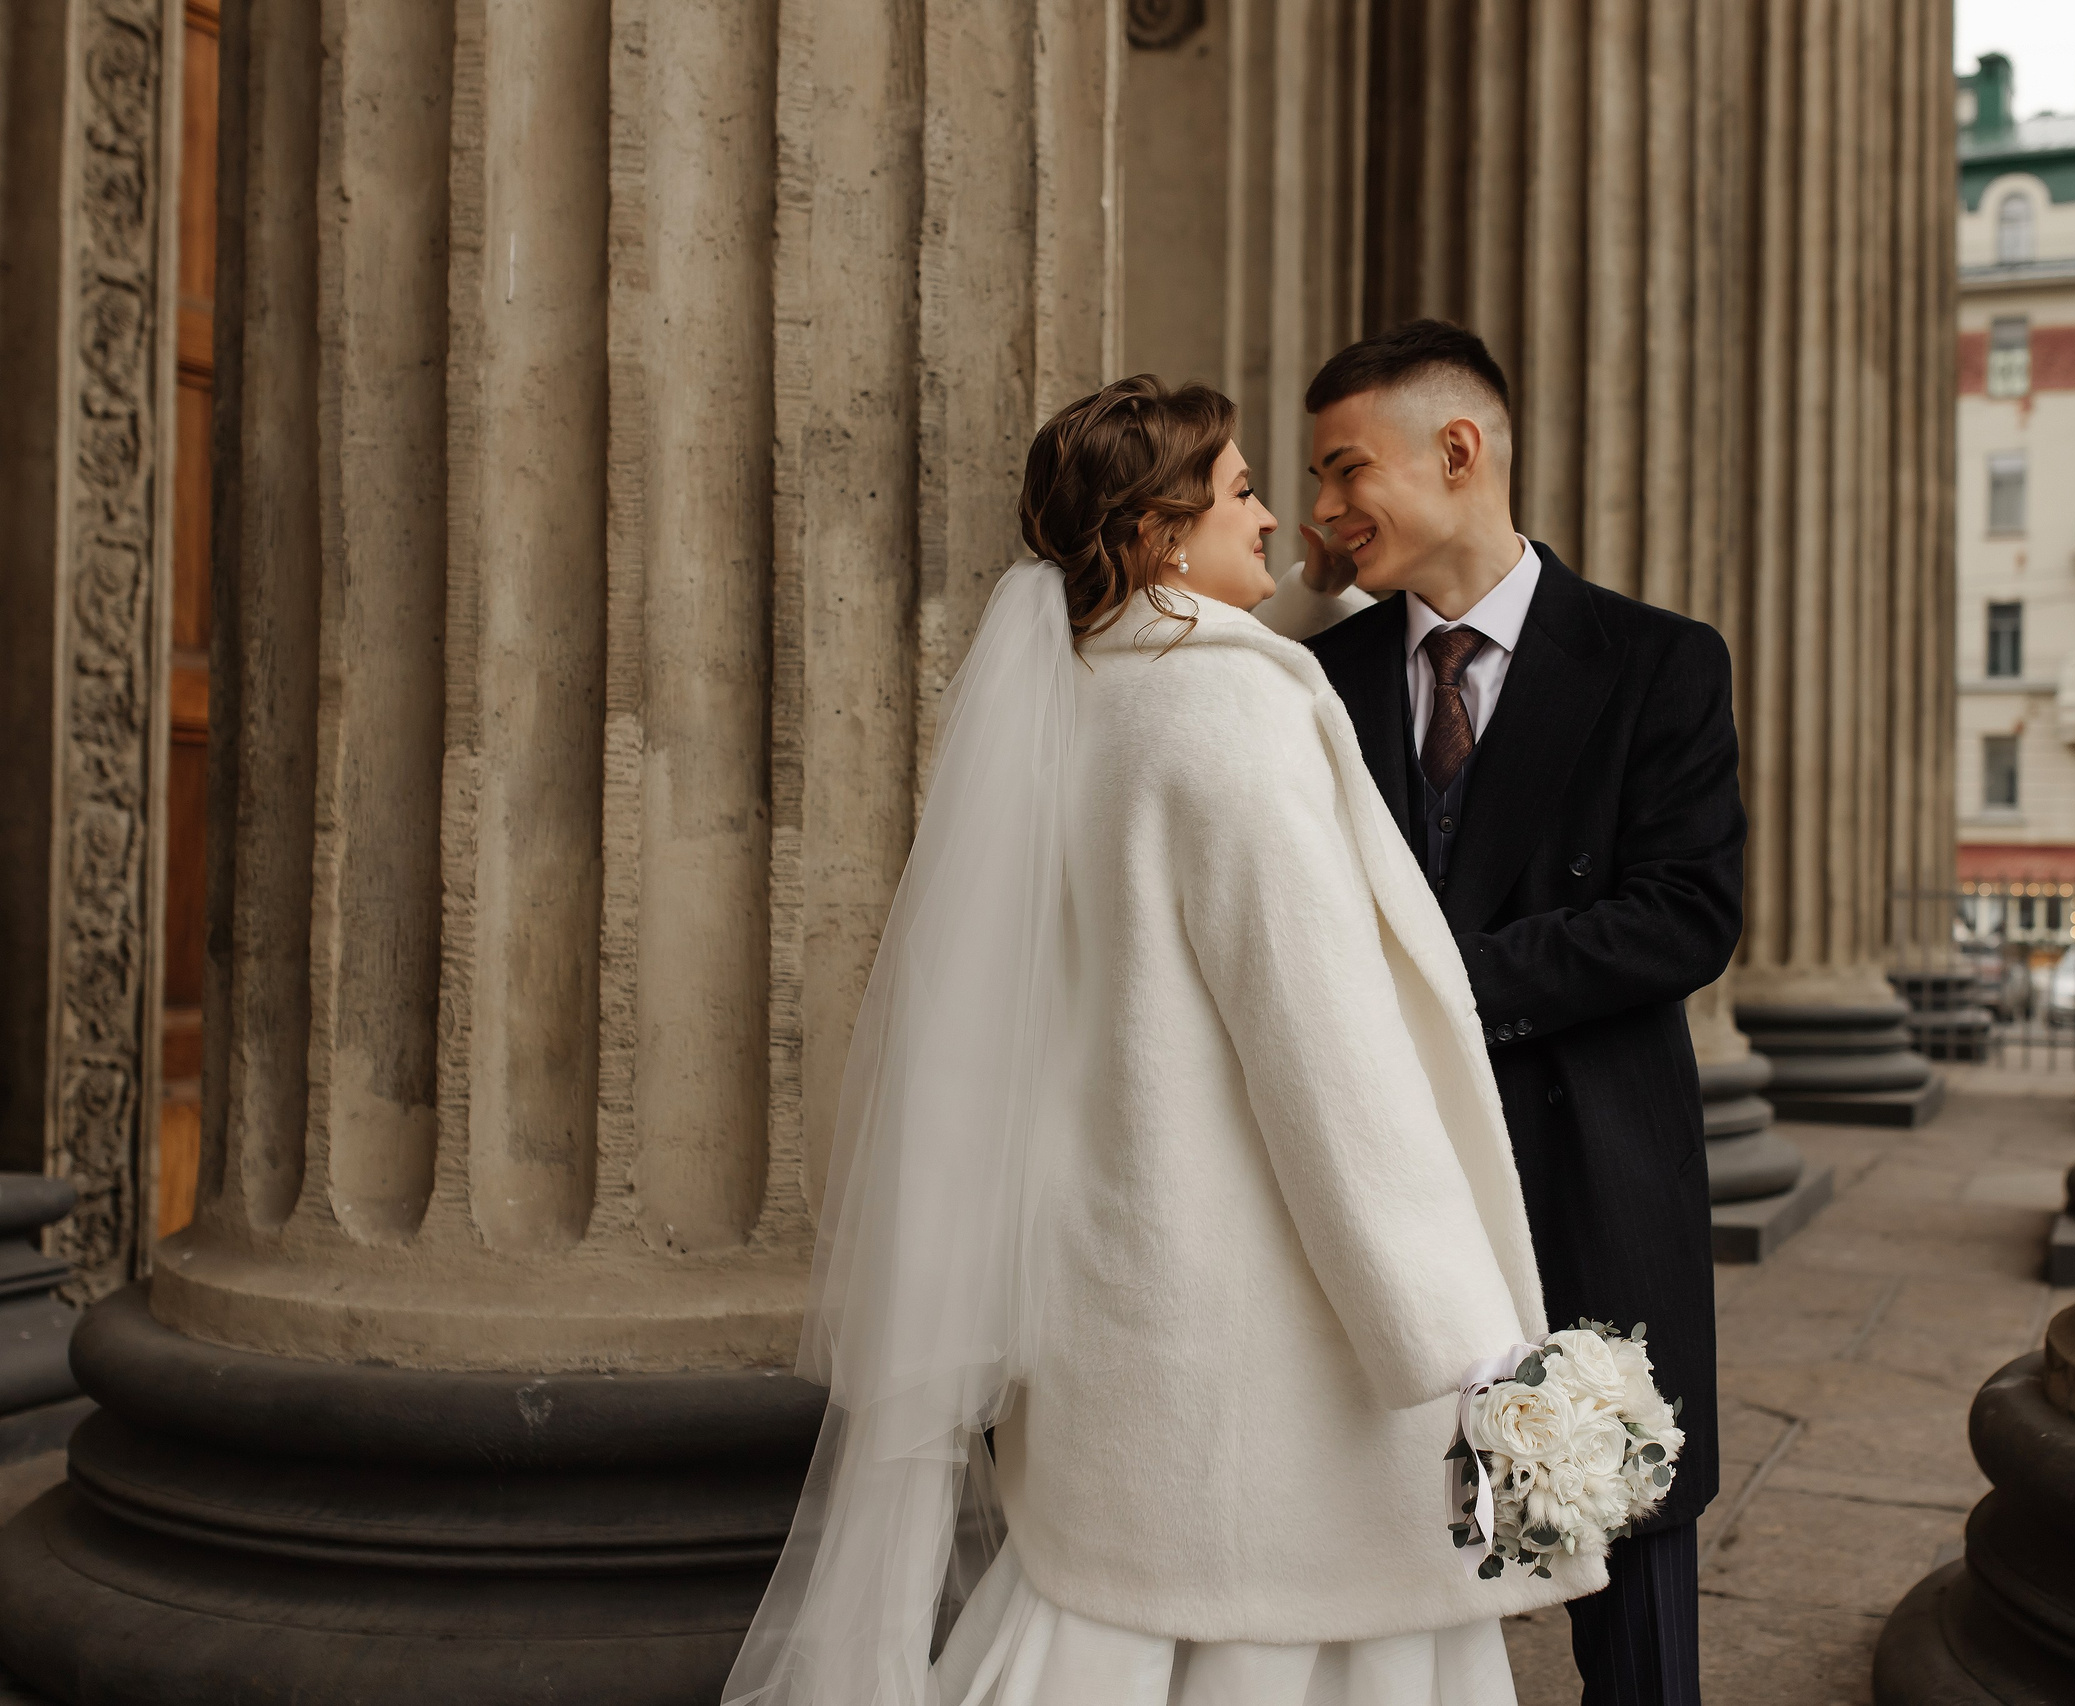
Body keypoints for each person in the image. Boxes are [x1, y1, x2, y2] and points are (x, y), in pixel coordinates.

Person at [724, 376, 1601, 1706]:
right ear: (1157, 531)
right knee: (1303, 1642)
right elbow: (1322, 1044)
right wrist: (1457, 1335)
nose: (1275, 518)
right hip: (1274, 1328)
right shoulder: (1230, 712)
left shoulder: (1078, 706)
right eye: (1243, 490)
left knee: (1112, 1629)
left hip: (1125, 1295)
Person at [1260, 320, 1747, 1706]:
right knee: (1371, 1538)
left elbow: (1684, 915)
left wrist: (1432, 979)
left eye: (1347, 470)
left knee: (1630, 1550)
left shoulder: (1659, 662)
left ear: (1458, 452)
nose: (1322, 511)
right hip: (1389, 1184)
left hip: (1592, 1166)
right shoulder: (1317, 681)